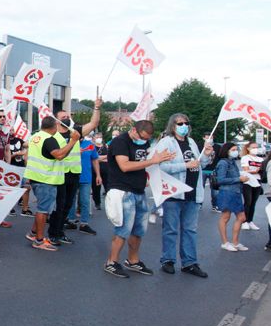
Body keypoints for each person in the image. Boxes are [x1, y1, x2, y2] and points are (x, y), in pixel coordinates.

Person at [103, 120, 174, 277]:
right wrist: (153, 160)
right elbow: (125, 166)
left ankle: (133, 261)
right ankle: (111, 262)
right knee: (123, 229)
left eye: (147, 138)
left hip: (139, 190)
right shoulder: (120, 142)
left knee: (139, 230)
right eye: (142, 137)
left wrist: (158, 160)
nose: (144, 141)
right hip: (122, 191)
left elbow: (146, 163)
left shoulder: (145, 144)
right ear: (134, 130)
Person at [155, 113, 212, 277]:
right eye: (180, 123)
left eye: (186, 123)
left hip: (193, 192)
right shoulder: (166, 142)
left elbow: (200, 164)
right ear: (172, 125)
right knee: (171, 229)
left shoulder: (192, 142)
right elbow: (161, 166)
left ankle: (189, 262)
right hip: (174, 191)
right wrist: (185, 165)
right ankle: (168, 260)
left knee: (190, 230)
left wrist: (206, 154)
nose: (184, 126)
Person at [23, 116, 80, 251]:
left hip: (37, 177)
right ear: (53, 127)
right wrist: (72, 141)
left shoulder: (35, 136)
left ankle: (33, 233)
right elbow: (59, 155)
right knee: (43, 210)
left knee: (42, 209)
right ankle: (39, 240)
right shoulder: (49, 139)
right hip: (46, 179)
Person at [49, 103, 102, 244]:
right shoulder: (53, 135)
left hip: (74, 174)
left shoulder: (75, 132)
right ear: (56, 120)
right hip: (59, 174)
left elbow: (93, 123)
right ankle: (53, 233)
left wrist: (96, 108)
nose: (66, 118)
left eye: (68, 116)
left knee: (68, 205)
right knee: (59, 205)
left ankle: (60, 232)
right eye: (63, 117)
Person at [213, 142, 248, 251]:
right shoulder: (223, 163)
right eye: (233, 149)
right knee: (225, 217)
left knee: (241, 217)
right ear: (227, 150)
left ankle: (235, 242)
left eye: (236, 149)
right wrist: (238, 179)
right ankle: (225, 242)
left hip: (236, 192)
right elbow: (220, 180)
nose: (235, 151)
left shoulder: (232, 162)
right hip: (227, 193)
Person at [68, 129, 101, 235]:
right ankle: (71, 221)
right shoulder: (68, 143)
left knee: (85, 201)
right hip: (72, 176)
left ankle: (84, 224)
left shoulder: (90, 145)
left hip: (86, 177)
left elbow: (95, 159)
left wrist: (98, 175)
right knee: (71, 200)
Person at [239, 142, 264, 231]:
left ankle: (250, 221)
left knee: (253, 202)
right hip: (248, 181)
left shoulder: (260, 159)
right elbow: (246, 170)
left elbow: (262, 170)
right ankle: (244, 221)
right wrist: (255, 171)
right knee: (248, 202)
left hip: (257, 181)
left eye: (257, 147)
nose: (255, 149)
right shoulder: (245, 158)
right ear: (248, 148)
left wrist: (258, 171)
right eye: (253, 147)